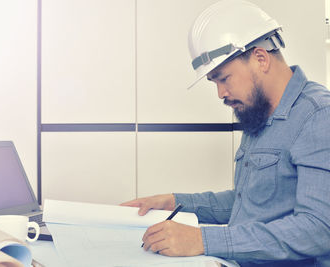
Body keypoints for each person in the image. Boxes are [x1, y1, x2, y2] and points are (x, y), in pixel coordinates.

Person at [121, 0, 330, 266]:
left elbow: (319, 229)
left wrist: (204, 241)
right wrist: (172, 202)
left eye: (224, 78)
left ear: (260, 59)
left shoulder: (319, 115)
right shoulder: (260, 112)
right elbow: (251, 201)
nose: (221, 94)